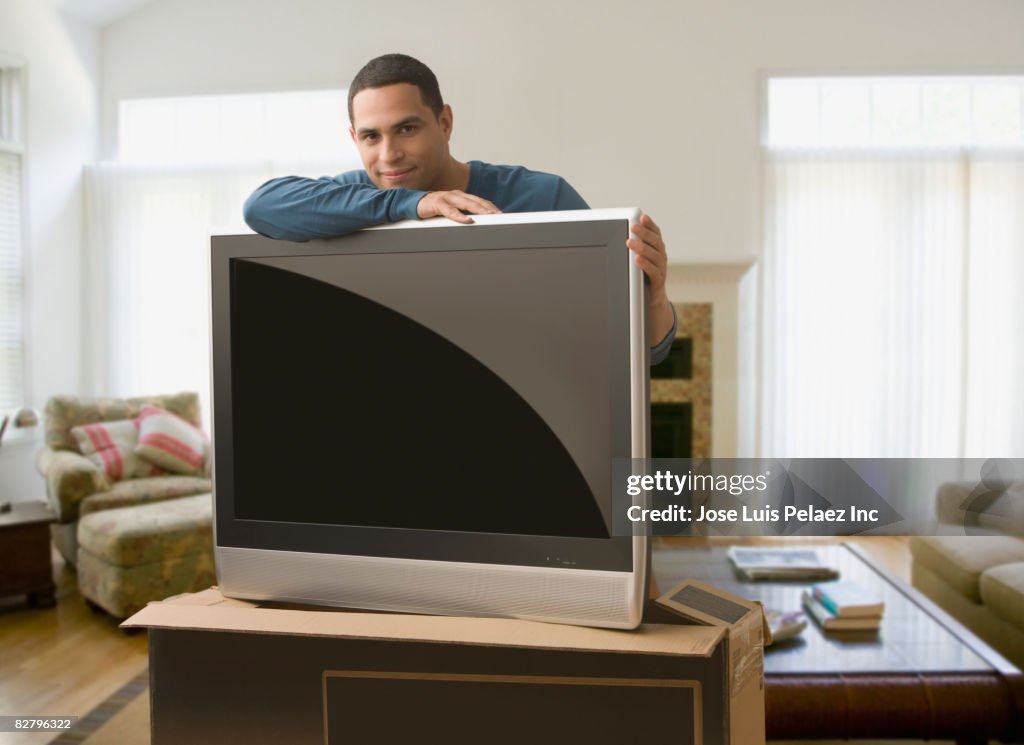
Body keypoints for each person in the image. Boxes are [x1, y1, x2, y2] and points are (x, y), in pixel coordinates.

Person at [243, 53, 677, 363]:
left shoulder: (544, 198)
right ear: (355, 139)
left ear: (445, 122)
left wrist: (652, 300)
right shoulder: (355, 200)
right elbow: (262, 206)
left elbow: (642, 354)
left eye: (407, 129)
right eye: (372, 137)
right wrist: (413, 204)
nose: (389, 154)